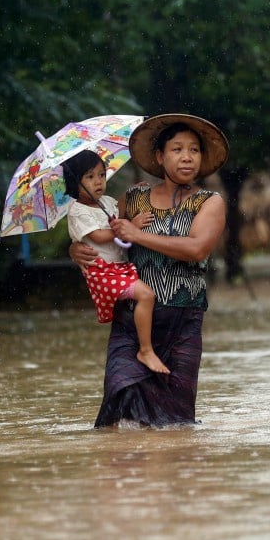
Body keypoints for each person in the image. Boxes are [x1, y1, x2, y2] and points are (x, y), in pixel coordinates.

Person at [69, 114, 229, 427]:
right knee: (121, 409)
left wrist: (138, 235)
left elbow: (197, 248)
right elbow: (102, 233)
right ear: (159, 156)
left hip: (183, 321)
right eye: (177, 149)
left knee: (175, 422)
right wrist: (75, 248)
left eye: (194, 150)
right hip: (131, 319)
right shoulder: (132, 198)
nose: (186, 157)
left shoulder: (209, 202)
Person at [63, 150, 169, 375]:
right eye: (90, 177)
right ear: (75, 182)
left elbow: (118, 209)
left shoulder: (106, 202)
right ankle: (146, 350)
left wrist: (131, 193)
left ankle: (144, 346)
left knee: (141, 301)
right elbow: (100, 236)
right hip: (103, 272)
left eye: (101, 175)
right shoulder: (77, 211)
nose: (98, 181)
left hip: (118, 268)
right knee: (147, 295)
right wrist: (132, 226)